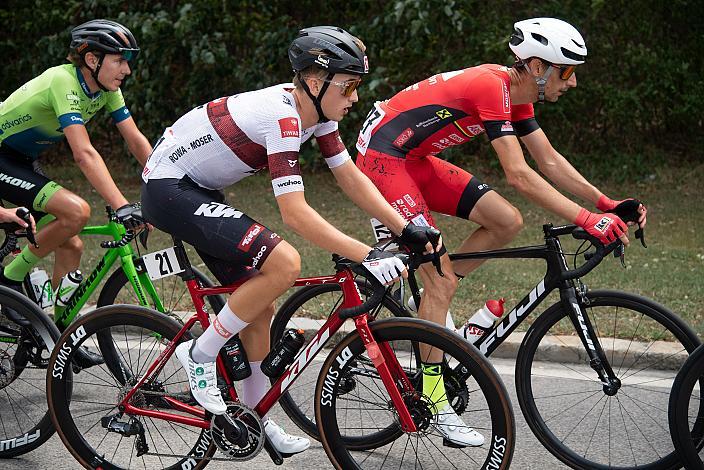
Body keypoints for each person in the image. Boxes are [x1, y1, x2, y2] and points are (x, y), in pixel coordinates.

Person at [140, 26, 451, 454]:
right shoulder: (283, 116)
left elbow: (348, 175)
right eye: (349, 86)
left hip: (198, 189)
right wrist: (368, 255)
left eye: (358, 86)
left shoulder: (319, 114)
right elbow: (295, 213)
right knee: (284, 263)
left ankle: (253, 420)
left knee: (260, 306)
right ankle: (199, 353)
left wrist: (404, 227)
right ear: (315, 81)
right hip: (169, 189)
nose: (355, 97)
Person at [356, 17, 648, 441]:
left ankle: (435, 304)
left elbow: (547, 161)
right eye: (566, 71)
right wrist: (586, 220)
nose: (573, 82)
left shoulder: (517, 94)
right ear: (536, 66)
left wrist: (605, 203)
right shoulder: (491, 86)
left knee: (506, 221)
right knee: (439, 284)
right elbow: (518, 174)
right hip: (384, 159)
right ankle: (433, 397)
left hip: (413, 159)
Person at [0, 19, 150, 326]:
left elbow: (135, 140)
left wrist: (168, 182)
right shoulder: (63, 81)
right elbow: (83, 154)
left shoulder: (106, 89)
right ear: (93, 60)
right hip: (3, 158)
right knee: (76, 212)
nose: (127, 70)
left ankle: (58, 333)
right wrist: (122, 205)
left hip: (20, 160)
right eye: (120, 61)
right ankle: (9, 278)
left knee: (72, 245)